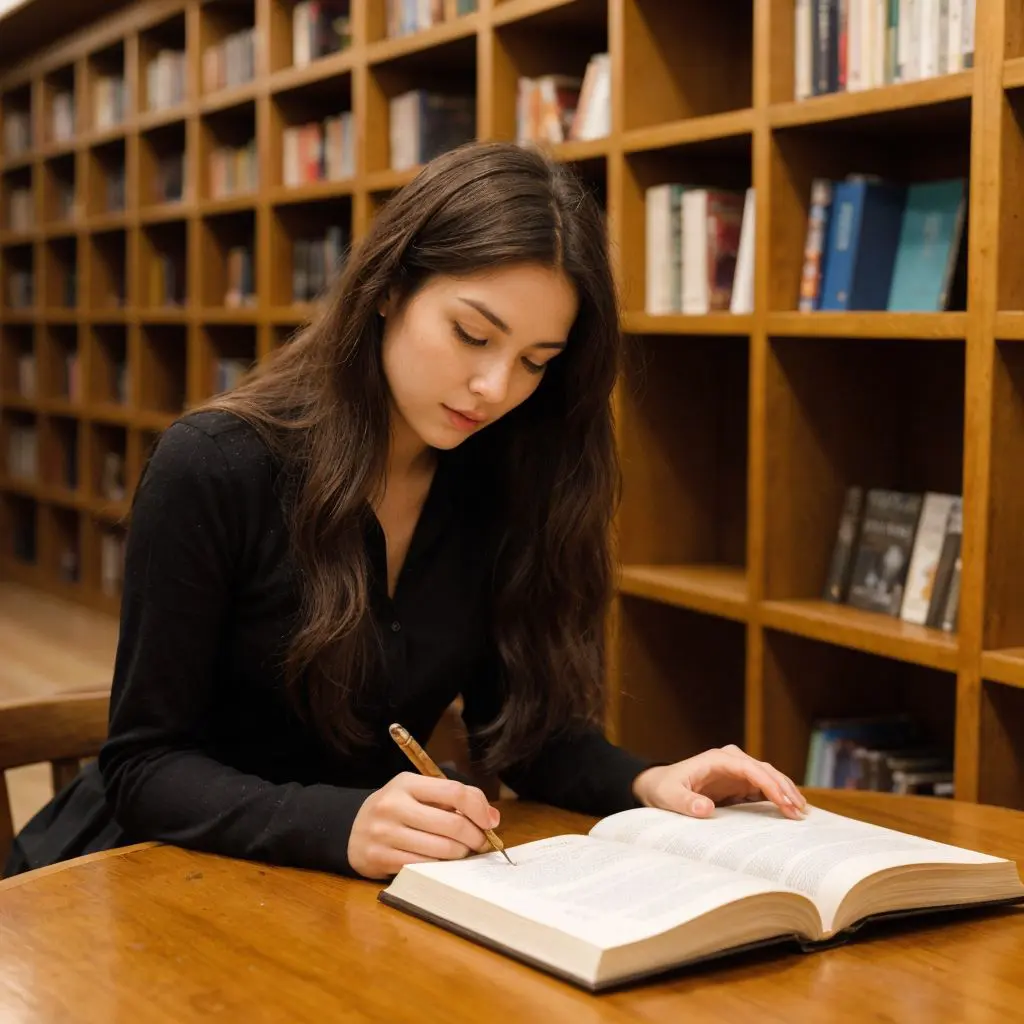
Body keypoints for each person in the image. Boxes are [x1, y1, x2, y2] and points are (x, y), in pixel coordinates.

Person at [5, 140, 805, 882]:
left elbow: (521, 736)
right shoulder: (215, 465)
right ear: (388, 288)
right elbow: (145, 766)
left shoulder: (499, 479)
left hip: (355, 889)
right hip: (155, 872)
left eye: (535, 362)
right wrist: (339, 822)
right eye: (471, 334)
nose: (496, 389)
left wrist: (647, 781)